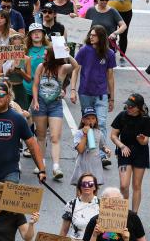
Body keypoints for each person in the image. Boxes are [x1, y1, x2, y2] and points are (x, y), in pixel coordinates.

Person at [71, 26, 117, 168]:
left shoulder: (109, 53)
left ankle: (102, 155)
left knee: (101, 123)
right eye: (90, 35)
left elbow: (110, 76)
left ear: (101, 37)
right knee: (89, 123)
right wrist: (72, 89)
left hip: (101, 94)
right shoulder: (84, 50)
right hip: (85, 92)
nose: (91, 37)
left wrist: (112, 98)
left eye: (94, 35)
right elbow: (75, 70)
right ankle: (91, 149)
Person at [30, 45, 76, 181]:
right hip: (41, 105)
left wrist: (67, 54)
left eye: (46, 54)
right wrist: (35, 101)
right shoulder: (41, 67)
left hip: (56, 105)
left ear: (53, 55)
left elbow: (76, 65)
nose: (44, 56)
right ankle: (41, 163)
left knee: (55, 137)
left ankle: (56, 167)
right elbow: (35, 85)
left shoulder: (63, 68)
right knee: (41, 136)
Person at [109, 92, 150, 212]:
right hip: (125, 152)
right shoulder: (122, 116)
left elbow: (146, 141)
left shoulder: (146, 119)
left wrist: (142, 140)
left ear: (139, 108)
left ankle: (134, 214)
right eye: (128, 105)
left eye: (131, 106)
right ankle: (123, 211)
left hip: (140, 153)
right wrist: (121, 146)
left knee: (136, 185)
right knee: (124, 185)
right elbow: (113, 135)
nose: (128, 108)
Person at [81, 187, 147, 241]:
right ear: (103, 204)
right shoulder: (94, 221)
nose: (113, 205)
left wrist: (126, 239)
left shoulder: (132, 217)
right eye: (109, 201)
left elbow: (142, 239)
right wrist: (94, 235)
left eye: (117, 201)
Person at [71, 107, 110, 190]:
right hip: (83, 164)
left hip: (95, 164)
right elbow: (80, 150)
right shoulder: (79, 133)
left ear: (96, 120)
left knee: (95, 188)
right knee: (81, 188)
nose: (90, 121)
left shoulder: (99, 133)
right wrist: (85, 134)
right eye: (88, 118)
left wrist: (106, 150)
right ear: (83, 120)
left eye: (93, 118)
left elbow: (102, 145)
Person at [60, 173, 101, 240]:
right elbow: (64, 231)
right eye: (84, 184)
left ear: (95, 187)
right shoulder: (71, 204)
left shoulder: (102, 205)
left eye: (90, 184)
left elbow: (109, 234)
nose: (87, 186)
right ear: (80, 186)